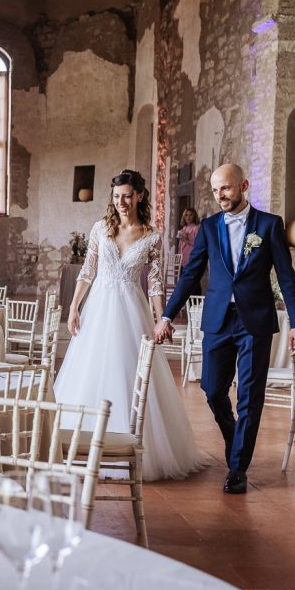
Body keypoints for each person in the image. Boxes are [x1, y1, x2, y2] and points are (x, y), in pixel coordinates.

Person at [154, 163, 295, 495]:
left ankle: (238, 467)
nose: (220, 195)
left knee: (250, 395)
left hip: (255, 321)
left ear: (244, 186)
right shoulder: (209, 227)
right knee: (212, 389)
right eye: (215, 190)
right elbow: (191, 274)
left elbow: (286, 276)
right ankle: (234, 436)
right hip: (218, 319)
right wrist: (166, 315)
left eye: (225, 188)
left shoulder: (269, 225)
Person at [54, 169, 203, 481]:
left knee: (131, 371)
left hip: (133, 311)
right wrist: (74, 307)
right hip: (98, 309)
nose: (121, 202)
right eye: (116, 196)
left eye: (127, 196)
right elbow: (88, 271)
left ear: (139, 196)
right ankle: (82, 443)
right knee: (91, 369)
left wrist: (161, 319)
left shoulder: (151, 236)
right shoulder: (100, 228)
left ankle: (129, 443)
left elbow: (155, 283)